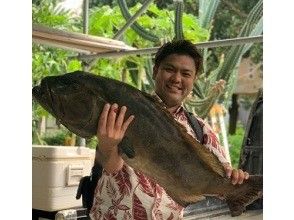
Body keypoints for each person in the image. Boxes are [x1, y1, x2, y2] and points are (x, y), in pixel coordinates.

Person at [89, 40, 249, 219]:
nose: (176, 79)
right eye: (169, 69)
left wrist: (237, 180)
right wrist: (107, 145)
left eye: (186, 73)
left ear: (194, 80)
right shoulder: (124, 111)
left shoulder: (200, 130)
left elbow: (222, 177)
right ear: (155, 70)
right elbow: (112, 169)